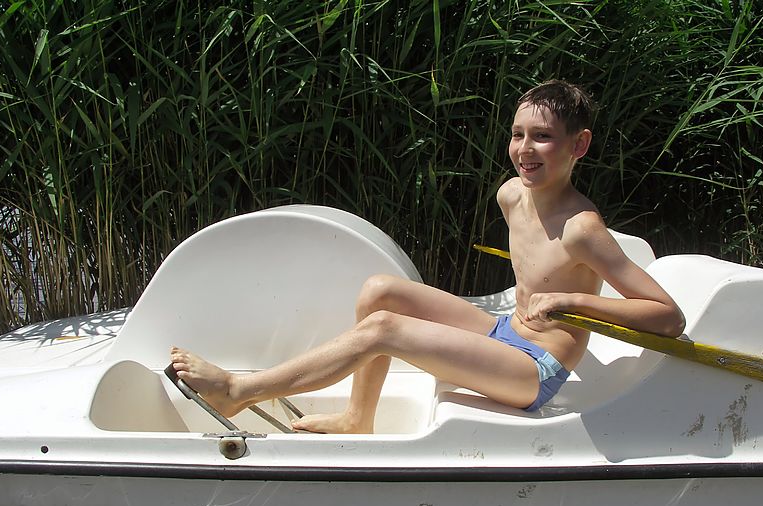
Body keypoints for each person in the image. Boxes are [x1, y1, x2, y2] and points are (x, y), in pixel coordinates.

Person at [169, 79, 685, 434]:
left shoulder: (582, 230)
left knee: (384, 330)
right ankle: (357, 417)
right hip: (506, 333)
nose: (526, 149)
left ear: (580, 145)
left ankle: (240, 389)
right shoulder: (511, 196)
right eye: (518, 134)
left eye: (544, 137)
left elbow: (666, 316)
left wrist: (575, 301)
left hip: (536, 368)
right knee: (379, 292)